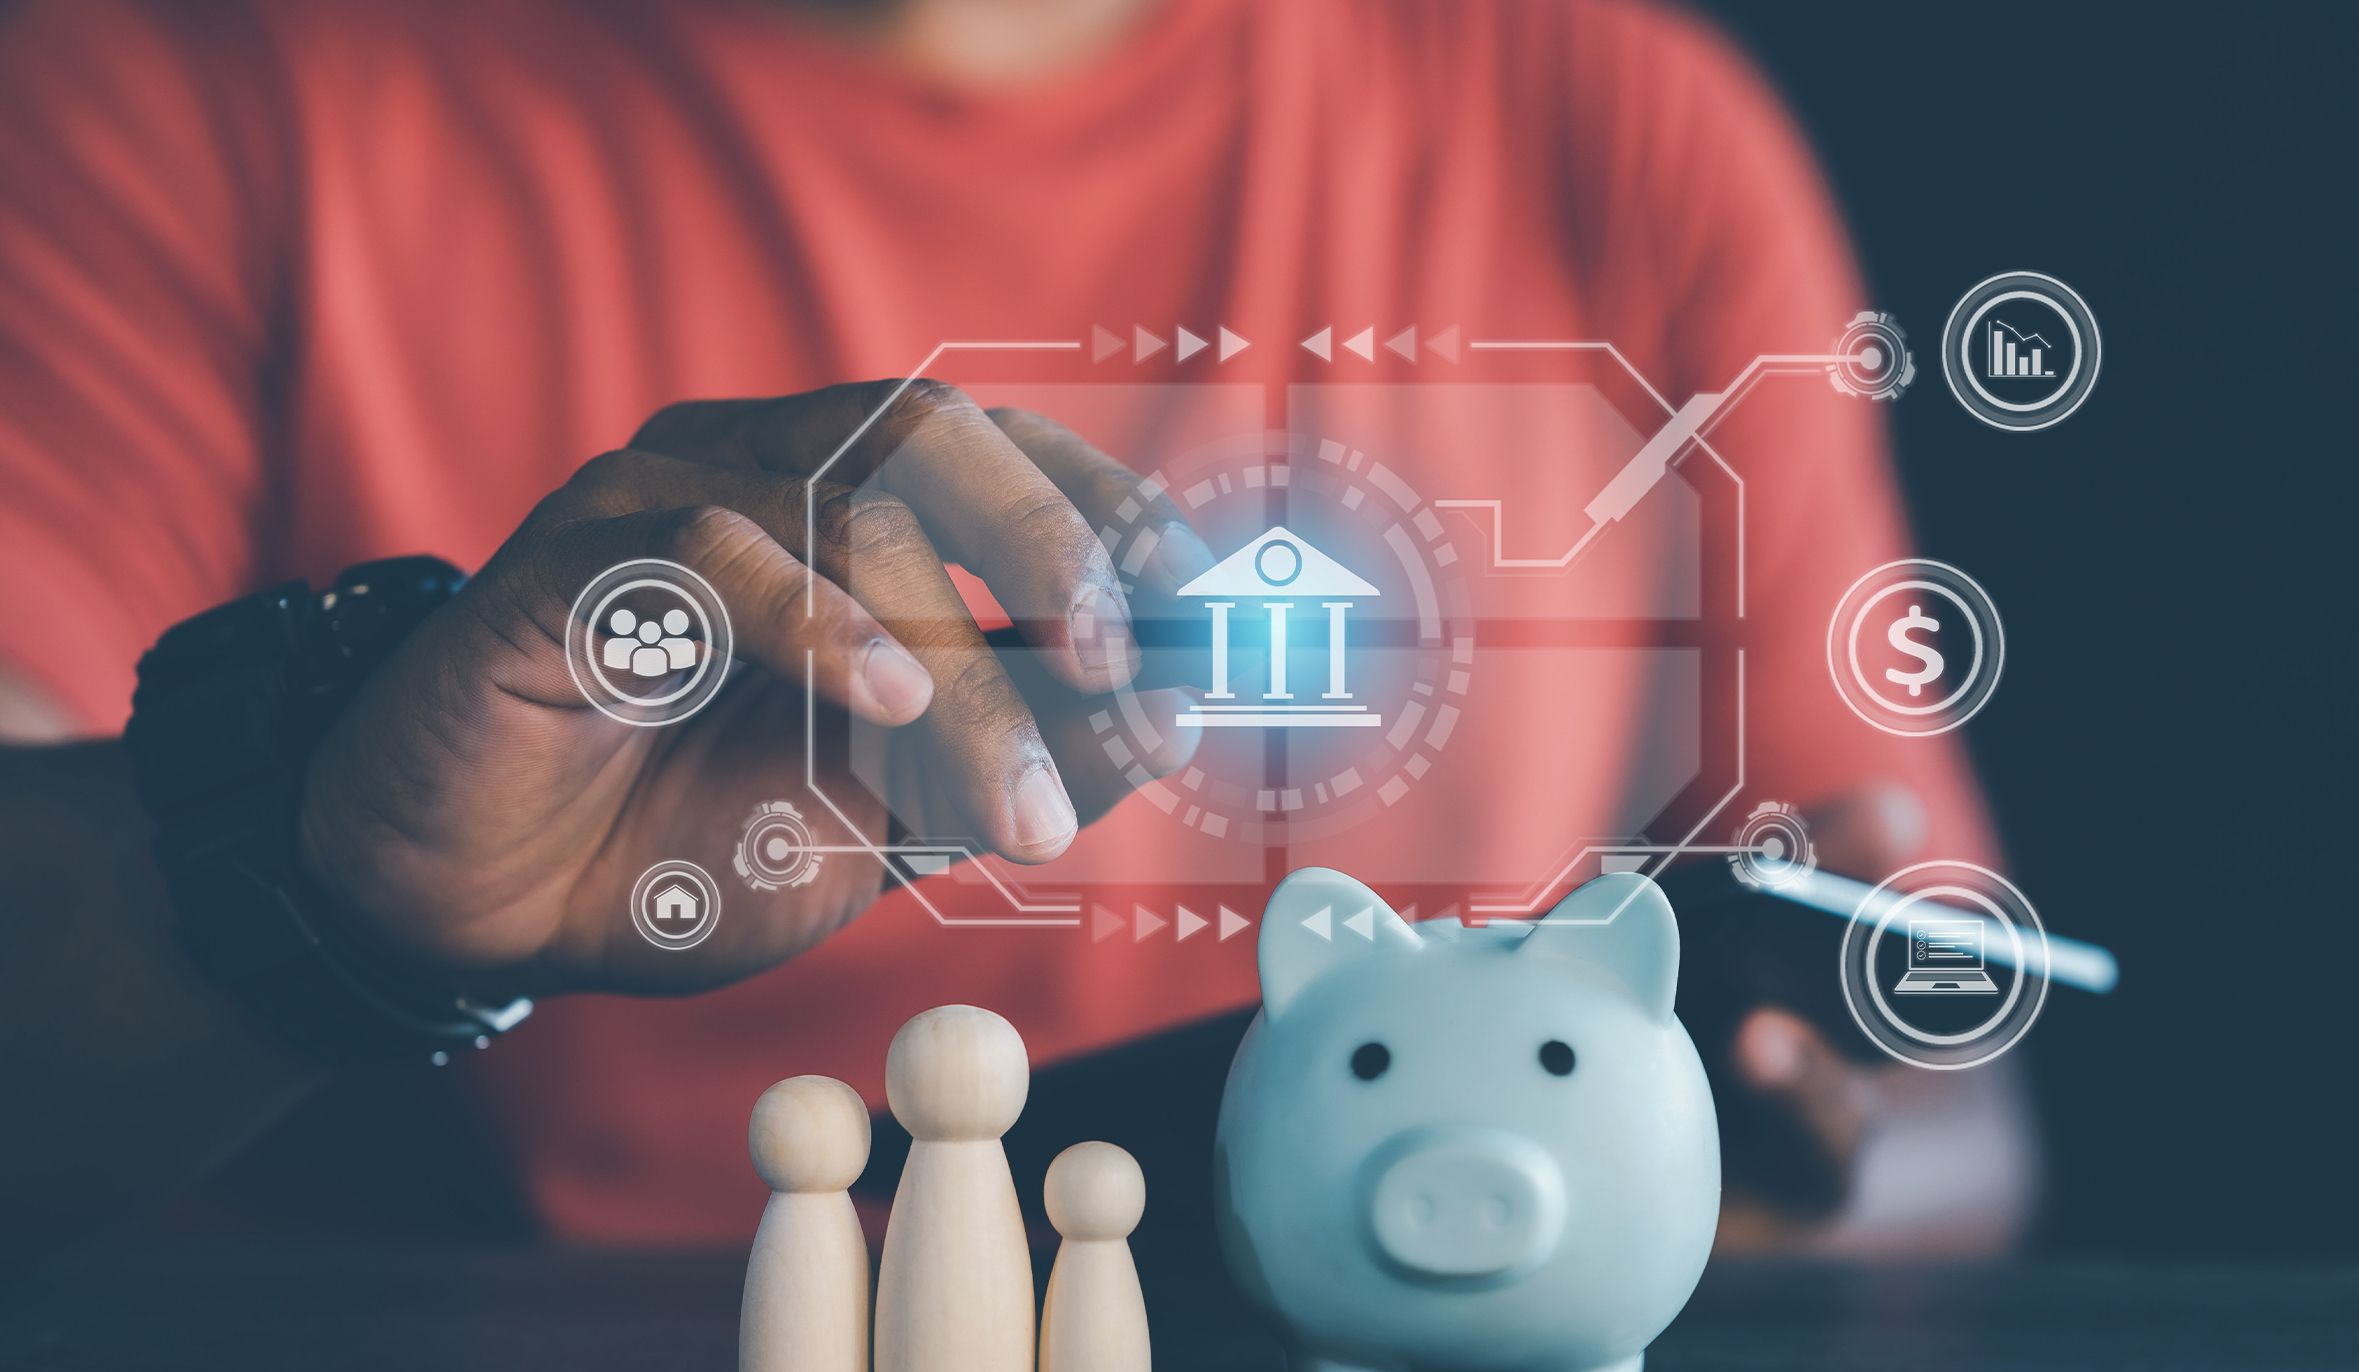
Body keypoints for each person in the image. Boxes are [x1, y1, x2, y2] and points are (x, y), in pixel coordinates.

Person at [0, 0, 2033, 1265]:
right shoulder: (178, 83)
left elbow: (1956, 1099)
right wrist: (342, 900)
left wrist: (1676, 1177)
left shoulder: (1618, 122)